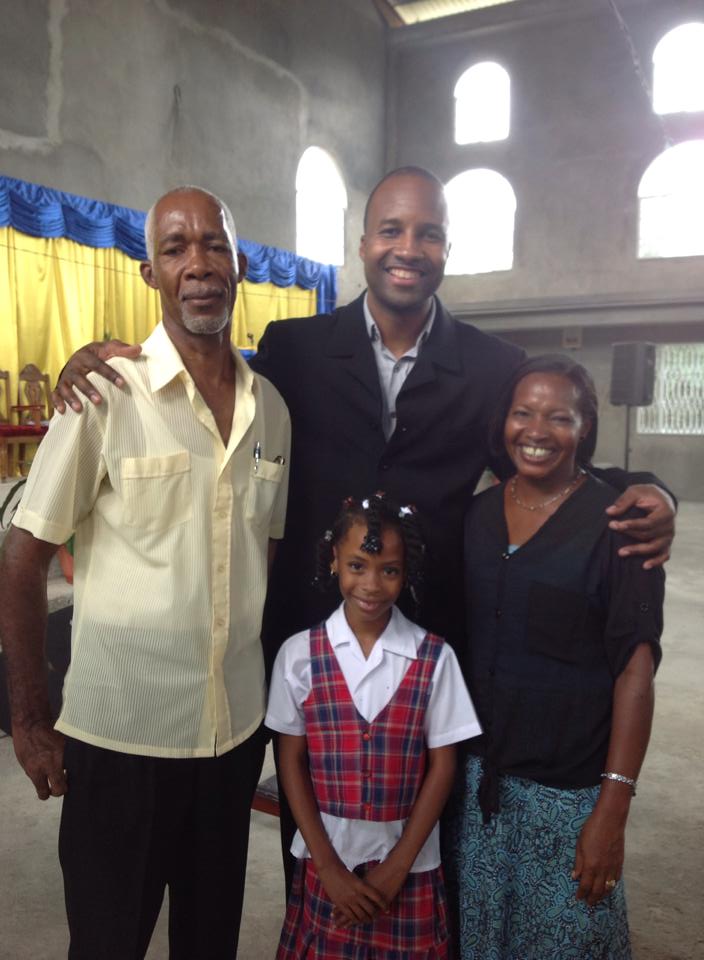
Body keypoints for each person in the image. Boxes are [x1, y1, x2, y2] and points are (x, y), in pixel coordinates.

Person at [50, 166, 676, 892]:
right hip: (309, 646)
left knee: (425, 867)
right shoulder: (293, 348)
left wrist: (650, 488)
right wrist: (95, 359)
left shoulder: (494, 365)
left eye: (428, 233)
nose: (407, 248)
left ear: (447, 249)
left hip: (430, 650)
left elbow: (548, 449)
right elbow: (208, 375)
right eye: (390, 230)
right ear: (362, 244)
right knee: (313, 864)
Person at [0, 186, 290, 959]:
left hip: (233, 734)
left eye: (215, 245)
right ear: (149, 273)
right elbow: (23, 556)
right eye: (175, 247)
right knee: (108, 941)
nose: (199, 263)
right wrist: (29, 719)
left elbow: (264, 553)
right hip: (121, 740)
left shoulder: (272, 410)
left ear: (239, 264)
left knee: (209, 942)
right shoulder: (102, 393)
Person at [443, 355, 664, 959]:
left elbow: (635, 670)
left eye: (559, 417)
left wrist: (612, 809)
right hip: (476, 792)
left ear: (585, 427)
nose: (537, 431)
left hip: (568, 797)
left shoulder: (620, 526)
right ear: (504, 422)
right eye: (523, 413)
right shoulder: (477, 515)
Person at [266, 493, 481, 958]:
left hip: (410, 869)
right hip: (328, 866)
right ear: (334, 561)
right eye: (357, 565)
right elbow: (291, 761)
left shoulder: (434, 658)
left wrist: (396, 867)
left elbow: (444, 767)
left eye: (389, 570)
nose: (371, 584)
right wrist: (329, 867)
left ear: (407, 573)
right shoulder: (299, 655)